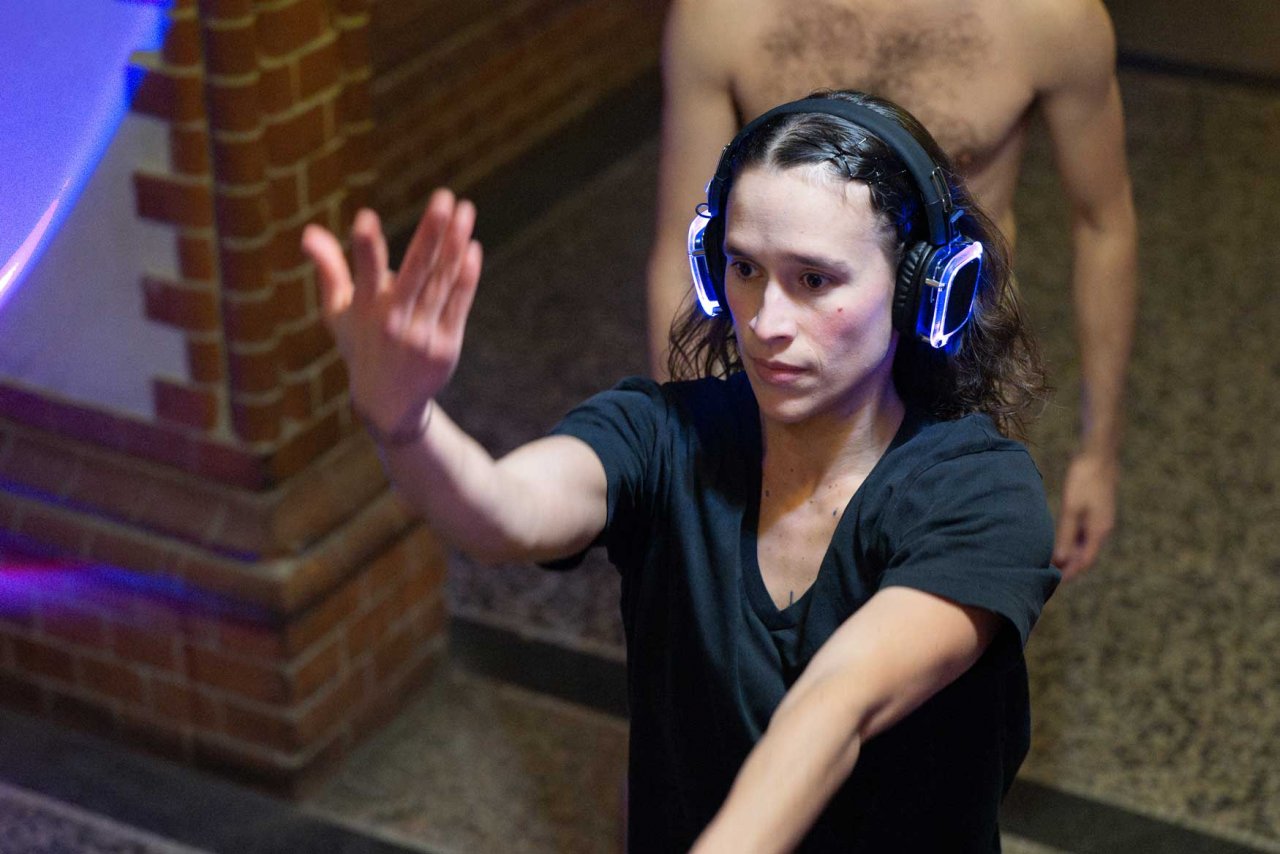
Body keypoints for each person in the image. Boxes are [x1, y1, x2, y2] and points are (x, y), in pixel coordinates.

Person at [302, 90, 1060, 852]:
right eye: (744, 268)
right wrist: (405, 423)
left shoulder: (982, 495)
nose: (765, 322)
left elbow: (838, 705)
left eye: (814, 280)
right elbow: (504, 513)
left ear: (924, 291)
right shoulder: (664, 432)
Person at [647, 0, 1139, 580]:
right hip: (783, 372)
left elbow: (1103, 226)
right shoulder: (724, 15)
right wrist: (683, 458)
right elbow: (683, 243)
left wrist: (1098, 453)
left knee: (954, 607)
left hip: (957, 374)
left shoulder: (1048, 16)